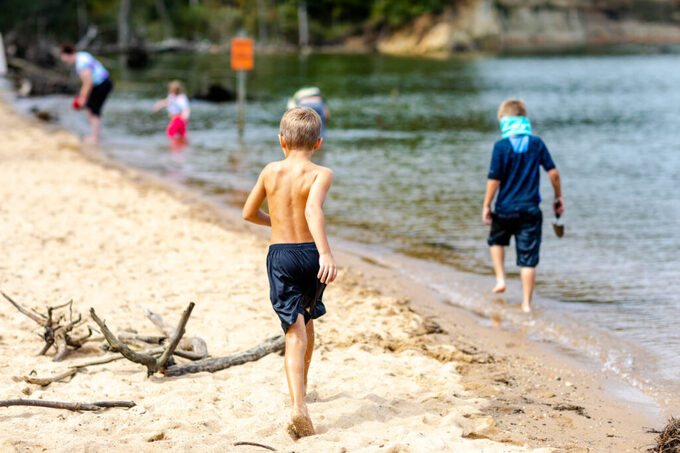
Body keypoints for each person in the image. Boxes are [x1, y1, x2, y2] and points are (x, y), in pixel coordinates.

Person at [242, 107, 336, 438]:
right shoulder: (321, 173)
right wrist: (325, 251)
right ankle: (304, 387)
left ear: (281, 140)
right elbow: (312, 209)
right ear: (318, 142)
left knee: (293, 330)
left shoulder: (270, 171)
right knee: (307, 321)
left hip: (281, 256)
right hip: (311, 255)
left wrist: (277, 222)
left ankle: (299, 406)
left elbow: (248, 212)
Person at [482, 99, 564, 313]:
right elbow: (553, 174)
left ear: (504, 122)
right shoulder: (536, 144)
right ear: (524, 119)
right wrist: (558, 198)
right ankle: (526, 304)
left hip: (504, 208)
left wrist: (486, 205)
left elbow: (494, 179)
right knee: (528, 260)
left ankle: (500, 279)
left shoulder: (500, 147)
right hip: (530, 210)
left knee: (496, 241)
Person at [59, 43, 113, 144]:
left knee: (93, 110)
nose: (66, 62)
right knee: (92, 109)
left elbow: (88, 82)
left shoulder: (81, 62)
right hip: (105, 83)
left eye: (65, 59)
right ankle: (95, 136)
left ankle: (95, 138)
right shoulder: (83, 55)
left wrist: (82, 98)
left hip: (101, 85)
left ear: (67, 55)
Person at [152, 80, 191, 146]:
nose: (169, 91)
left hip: (178, 119)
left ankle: (174, 149)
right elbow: (166, 102)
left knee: (170, 133)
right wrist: (158, 106)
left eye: (170, 90)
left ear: (175, 90)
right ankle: (182, 149)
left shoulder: (181, 98)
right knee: (182, 135)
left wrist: (185, 118)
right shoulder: (172, 97)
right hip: (180, 120)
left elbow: (186, 109)